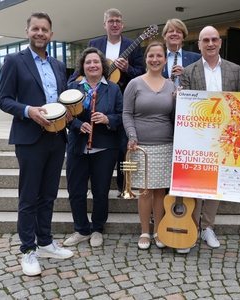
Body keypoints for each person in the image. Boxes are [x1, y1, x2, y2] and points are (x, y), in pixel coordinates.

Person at [0, 11, 74, 276]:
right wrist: (29, 110)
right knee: (29, 196)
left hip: (57, 136)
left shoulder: (58, 65)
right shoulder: (13, 61)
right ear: (27, 31)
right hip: (30, 138)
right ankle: (28, 250)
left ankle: (45, 242)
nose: (40, 33)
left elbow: (62, 101)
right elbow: (4, 99)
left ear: (51, 34)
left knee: (49, 195)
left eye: (45, 29)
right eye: (35, 29)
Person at [179, 25, 240, 254]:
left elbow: (239, 106)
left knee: (217, 185)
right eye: (205, 40)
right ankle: (192, 227)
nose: (210, 44)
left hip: (224, 137)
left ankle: (208, 227)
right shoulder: (188, 71)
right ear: (198, 45)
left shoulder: (235, 70)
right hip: (197, 136)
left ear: (220, 42)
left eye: (214, 39)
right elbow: (184, 106)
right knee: (196, 184)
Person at [68, 8, 145, 198]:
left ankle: (122, 186)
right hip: (93, 103)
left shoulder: (131, 45)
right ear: (105, 24)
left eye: (118, 21)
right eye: (111, 21)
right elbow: (81, 71)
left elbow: (141, 73)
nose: (115, 24)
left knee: (121, 144)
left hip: (122, 98)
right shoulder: (95, 44)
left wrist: (127, 68)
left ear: (122, 24)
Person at [63, 47, 123, 248]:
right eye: (88, 62)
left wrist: (107, 119)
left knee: (100, 191)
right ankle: (81, 229)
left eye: (96, 62)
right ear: (83, 66)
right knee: (76, 191)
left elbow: (122, 116)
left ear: (102, 65)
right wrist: (79, 125)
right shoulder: (73, 87)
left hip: (104, 149)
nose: (92, 65)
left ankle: (97, 228)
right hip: (78, 147)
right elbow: (65, 116)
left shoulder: (113, 88)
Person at [122, 42, 176, 250]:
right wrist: (132, 135)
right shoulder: (134, 84)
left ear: (164, 59)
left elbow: (174, 116)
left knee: (161, 192)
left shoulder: (171, 86)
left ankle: (158, 231)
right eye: (151, 56)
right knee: (144, 192)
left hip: (165, 144)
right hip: (140, 145)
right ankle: (145, 231)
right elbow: (127, 113)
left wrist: (178, 100)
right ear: (146, 59)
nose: (155, 59)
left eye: (159, 56)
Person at [161, 18, 201, 85]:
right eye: (171, 31)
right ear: (165, 36)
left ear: (183, 37)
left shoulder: (196, 58)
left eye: (178, 32)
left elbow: (202, 82)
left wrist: (186, 73)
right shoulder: (157, 58)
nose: (174, 34)